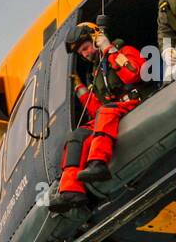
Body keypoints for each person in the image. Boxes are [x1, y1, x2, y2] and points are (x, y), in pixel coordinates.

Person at [48, 22, 146, 214]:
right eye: (80, 52)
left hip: (135, 102)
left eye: (85, 48)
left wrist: (109, 49)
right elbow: (98, 110)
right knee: (77, 135)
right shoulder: (96, 72)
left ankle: (98, 163)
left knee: (107, 112)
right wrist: (80, 89)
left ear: (96, 39)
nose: (84, 54)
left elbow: (134, 74)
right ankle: (70, 190)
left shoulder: (123, 51)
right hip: (114, 111)